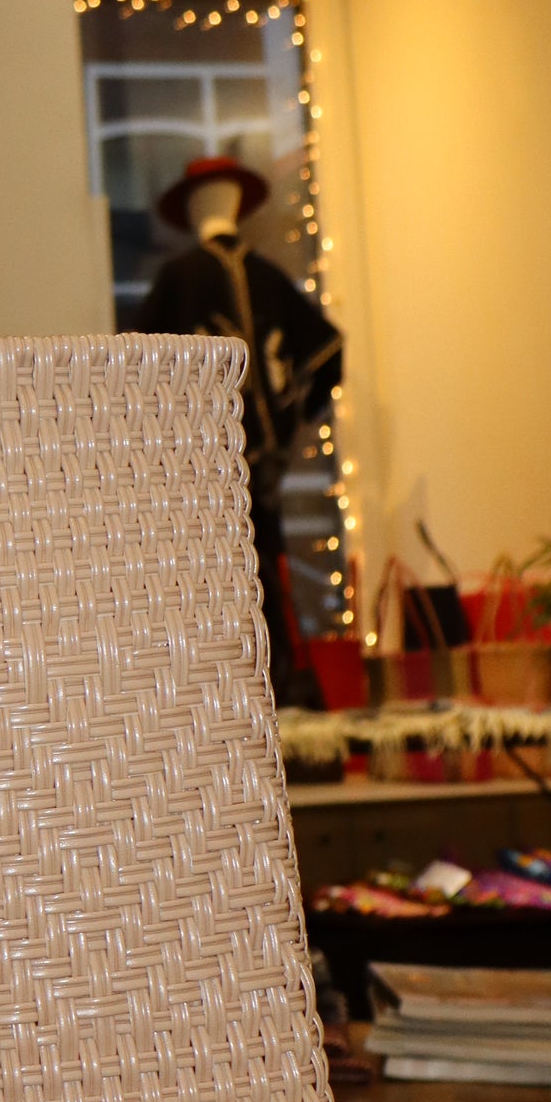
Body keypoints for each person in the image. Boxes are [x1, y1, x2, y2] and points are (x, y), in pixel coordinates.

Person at [140, 154, 342, 709]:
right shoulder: (267, 277)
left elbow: (135, 367)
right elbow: (328, 350)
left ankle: (236, 698)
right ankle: (276, 689)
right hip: (258, 462)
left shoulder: (179, 279)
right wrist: (293, 415)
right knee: (263, 567)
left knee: (218, 579)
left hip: (204, 465)